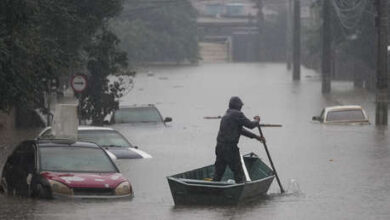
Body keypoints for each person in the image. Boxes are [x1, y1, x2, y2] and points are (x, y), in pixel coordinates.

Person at [213, 96, 265, 183]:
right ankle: (241, 190)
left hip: (219, 147)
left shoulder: (227, 114)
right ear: (238, 106)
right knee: (238, 173)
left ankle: (212, 190)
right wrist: (256, 121)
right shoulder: (237, 114)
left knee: (218, 173)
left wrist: (256, 137)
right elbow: (251, 125)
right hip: (230, 148)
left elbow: (240, 130)